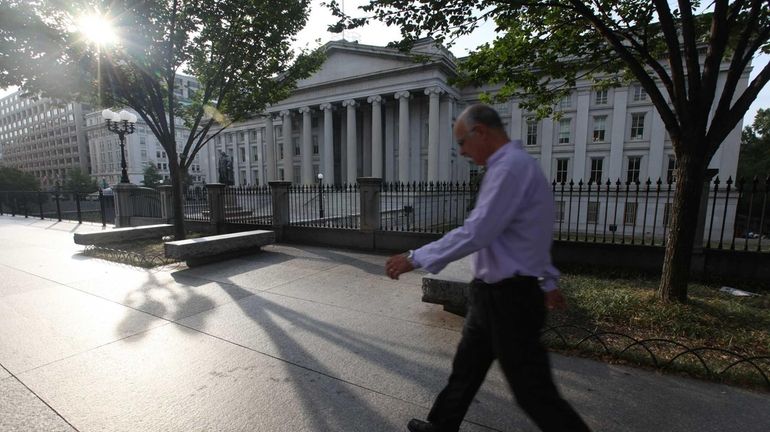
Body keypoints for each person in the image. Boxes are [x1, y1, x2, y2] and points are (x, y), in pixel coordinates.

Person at [385, 104, 591, 432]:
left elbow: (477, 231)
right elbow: (532, 234)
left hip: (508, 299)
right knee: (465, 372)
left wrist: (415, 257)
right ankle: (440, 428)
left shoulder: (509, 168)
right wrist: (549, 281)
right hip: (492, 294)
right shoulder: (515, 167)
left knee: (533, 392)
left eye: (462, 143)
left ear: (480, 131)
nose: (462, 152)